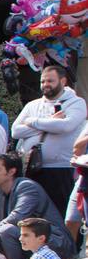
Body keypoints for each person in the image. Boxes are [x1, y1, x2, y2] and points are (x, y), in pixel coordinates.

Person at [11, 65, 86, 215]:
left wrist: (32, 122)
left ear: (63, 81)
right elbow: (15, 131)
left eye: (50, 81)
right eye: (42, 81)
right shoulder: (33, 105)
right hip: (31, 168)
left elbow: (66, 126)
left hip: (60, 169)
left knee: (58, 214)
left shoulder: (76, 103)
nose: (45, 85)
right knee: (31, 214)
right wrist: (49, 122)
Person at [0, 153, 70, 259]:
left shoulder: (27, 186)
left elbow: (17, 217)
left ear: (11, 171)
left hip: (53, 242)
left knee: (5, 230)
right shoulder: (3, 193)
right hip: (30, 239)